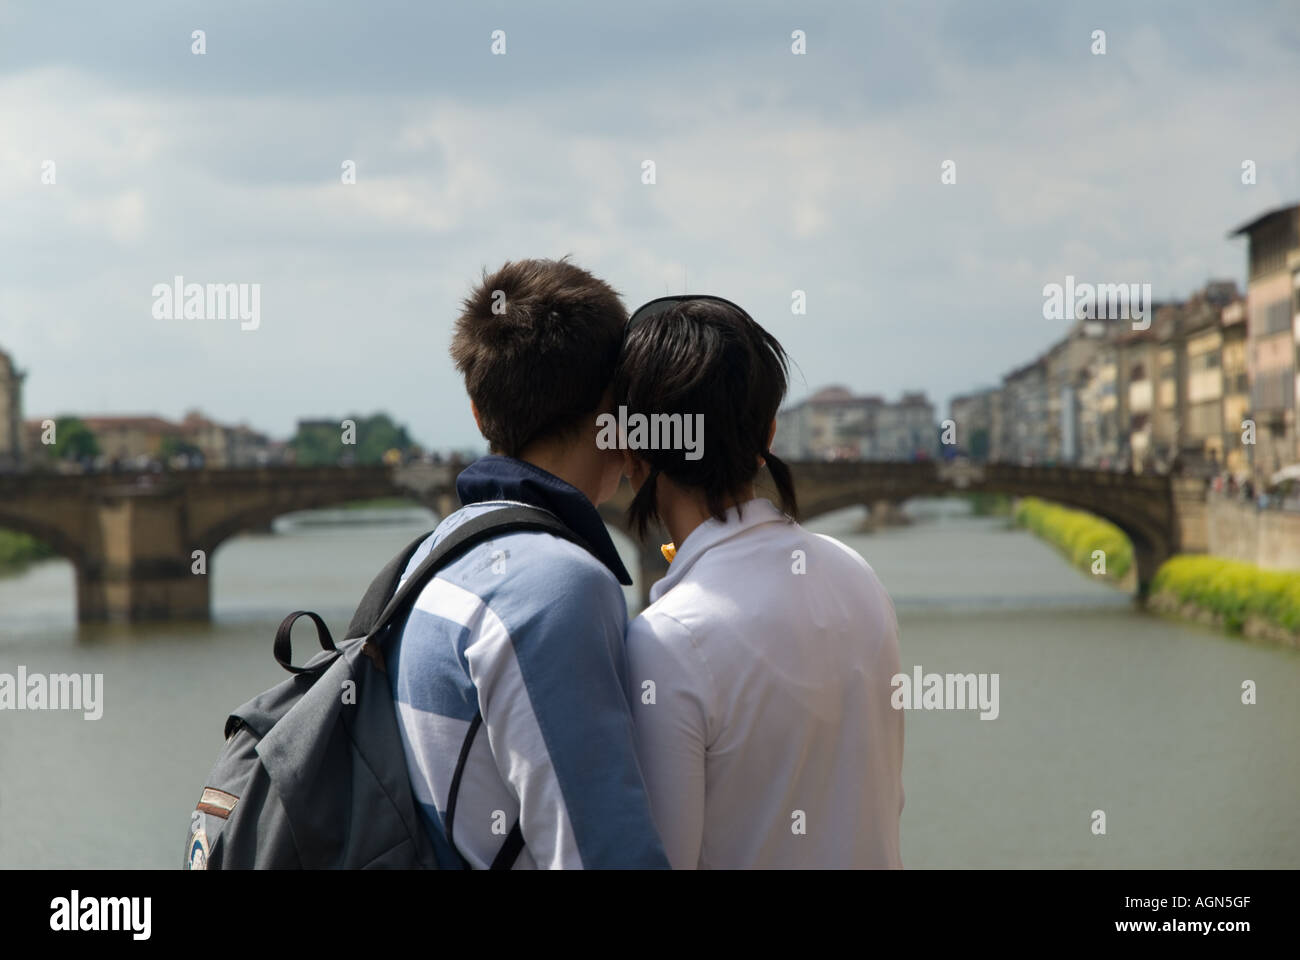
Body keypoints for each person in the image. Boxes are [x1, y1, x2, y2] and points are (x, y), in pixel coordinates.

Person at [386, 258, 669, 869]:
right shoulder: (554, 585)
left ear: (478, 415)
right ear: (617, 412)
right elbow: (602, 856)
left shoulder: (436, 558)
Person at [614, 295, 904, 868]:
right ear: (769, 434)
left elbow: (663, 857)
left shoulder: (668, 640)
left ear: (631, 451)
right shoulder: (856, 574)